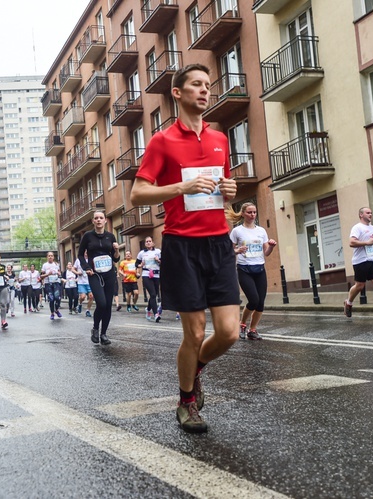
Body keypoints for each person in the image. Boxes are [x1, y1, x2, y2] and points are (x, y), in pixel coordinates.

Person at [130, 63, 240, 433]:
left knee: (229, 332)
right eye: (196, 85)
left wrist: (231, 193)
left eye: (208, 85)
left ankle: (196, 369)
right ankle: (187, 400)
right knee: (193, 334)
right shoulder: (163, 141)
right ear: (178, 93)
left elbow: (223, 191)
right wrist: (179, 188)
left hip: (219, 242)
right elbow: (137, 193)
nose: (205, 91)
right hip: (182, 246)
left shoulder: (220, 138)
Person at [228, 203, 277, 340]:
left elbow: (266, 252)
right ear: (243, 213)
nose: (252, 215)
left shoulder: (261, 231)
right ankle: (243, 323)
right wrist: (237, 250)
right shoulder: (237, 231)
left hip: (260, 269)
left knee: (260, 303)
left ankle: (252, 329)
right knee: (253, 300)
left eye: (254, 212)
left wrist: (271, 246)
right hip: (244, 269)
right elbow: (228, 251)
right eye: (249, 212)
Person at [77, 211, 120, 345]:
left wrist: (117, 250)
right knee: (101, 303)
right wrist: (87, 268)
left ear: (105, 220)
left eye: (101, 218)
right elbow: (80, 255)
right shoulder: (88, 236)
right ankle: (95, 328)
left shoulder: (111, 236)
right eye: (96, 218)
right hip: (94, 274)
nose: (99, 220)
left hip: (109, 273)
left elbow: (115, 258)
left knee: (108, 305)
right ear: (93, 221)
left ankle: (103, 334)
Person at [136, 237, 161, 322]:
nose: (148, 243)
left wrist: (158, 260)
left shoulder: (158, 252)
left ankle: (148, 309)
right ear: (145, 244)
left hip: (156, 274)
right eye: (146, 241)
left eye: (150, 241)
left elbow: (164, 262)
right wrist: (140, 265)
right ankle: (156, 314)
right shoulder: (141, 253)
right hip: (146, 275)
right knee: (153, 294)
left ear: (153, 243)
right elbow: (136, 264)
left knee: (155, 294)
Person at [41, 252, 63, 320]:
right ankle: (52, 313)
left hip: (56, 283)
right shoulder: (45, 265)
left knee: (58, 298)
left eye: (52, 256)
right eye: (49, 256)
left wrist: (58, 273)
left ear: (53, 257)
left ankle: (56, 310)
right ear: (47, 257)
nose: (50, 257)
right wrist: (48, 274)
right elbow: (41, 276)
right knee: (51, 299)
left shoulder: (56, 264)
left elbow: (60, 273)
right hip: (48, 284)